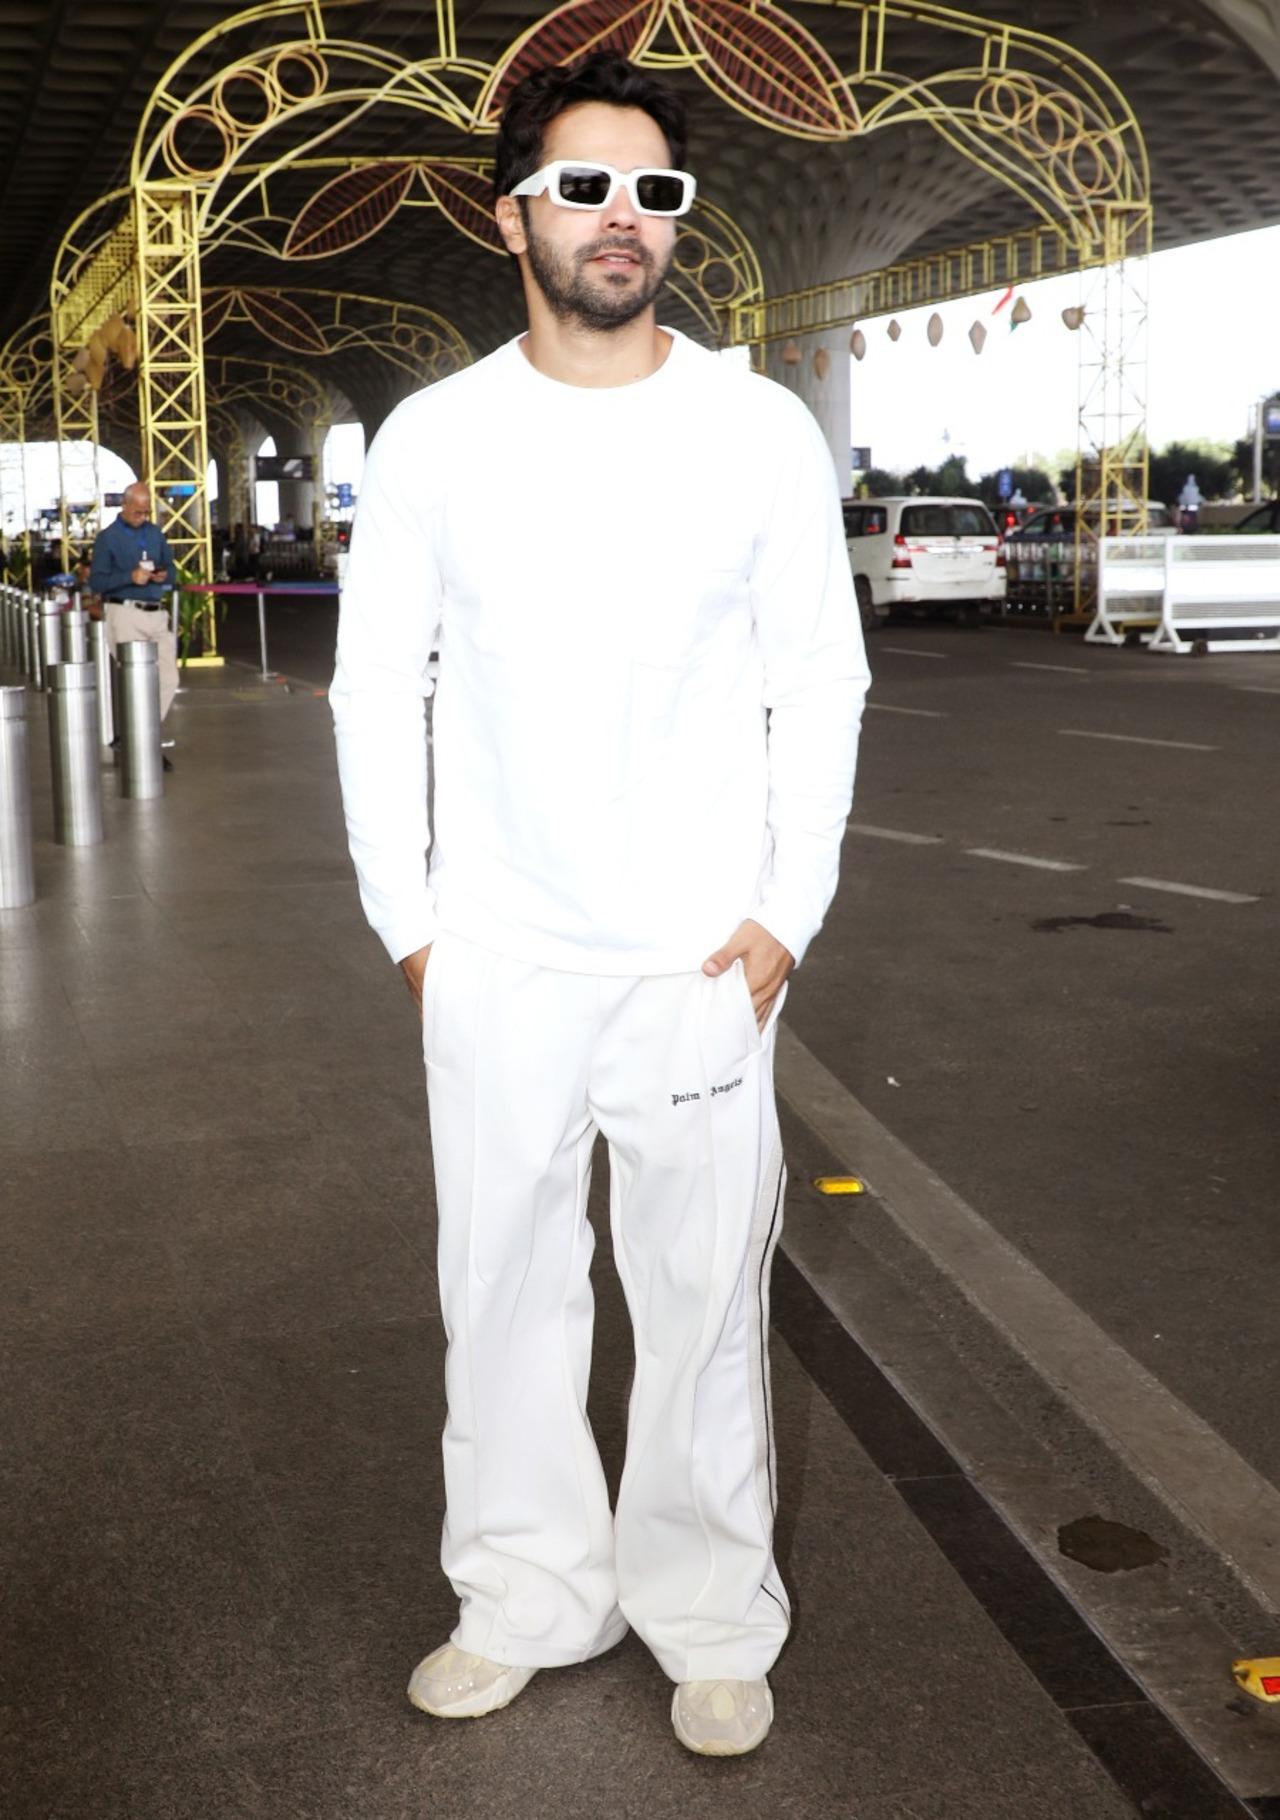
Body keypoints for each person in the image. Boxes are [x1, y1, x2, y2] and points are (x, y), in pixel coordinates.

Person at [330, 51, 870, 1758]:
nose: (620, 216)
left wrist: (787, 910)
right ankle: (523, 1598)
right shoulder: (438, 440)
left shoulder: (754, 431)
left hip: (699, 960)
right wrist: (413, 926)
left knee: (703, 1307)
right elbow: (375, 688)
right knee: (500, 1292)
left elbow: (819, 676)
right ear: (515, 217)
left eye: (653, 189)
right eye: (582, 185)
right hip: (498, 953)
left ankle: (710, 1616)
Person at [88, 481, 179, 749]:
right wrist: (130, 577)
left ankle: (141, 734)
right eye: (137, 512)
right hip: (125, 613)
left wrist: (164, 575)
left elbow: (172, 569)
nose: (142, 517)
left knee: (169, 678)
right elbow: (97, 582)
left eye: (146, 512)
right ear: (124, 505)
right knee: (136, 681)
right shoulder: (107, 538)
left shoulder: (155, 534)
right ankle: (141, 744)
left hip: (156, 614)